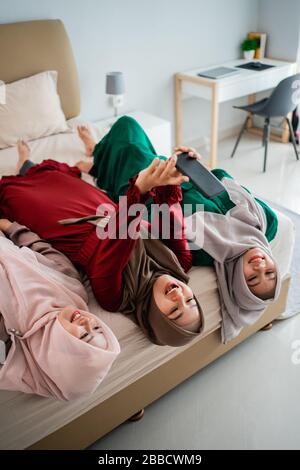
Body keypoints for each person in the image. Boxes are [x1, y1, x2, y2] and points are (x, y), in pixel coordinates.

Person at [75, 116, 282, 342]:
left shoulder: (205, 252)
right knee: (130, 128)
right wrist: (196, 166)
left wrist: (152, 186)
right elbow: (224, 180)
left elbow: (157, 221)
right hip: (180, 175)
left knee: (126, 134)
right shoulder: (268, 224)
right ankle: (98, 158)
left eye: (252, 278)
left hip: (152, 190)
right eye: (270, 272)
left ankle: (98, 155)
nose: (259, 266)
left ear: (237, 282)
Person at [0, 140, 205, 348]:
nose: (179, 295)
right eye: (190, 301)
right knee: (54, 176)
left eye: (174, 310)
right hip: (103, 209)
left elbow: (116, 246)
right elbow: (168, 216)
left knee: (14, 194)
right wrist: (173, 176)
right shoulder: (179, 264)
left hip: (69, 228)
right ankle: (26, 164)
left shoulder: (116, 297)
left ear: (156, 318)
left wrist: (139, 192)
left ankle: (22, 166)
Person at [0, 218, 120, 400]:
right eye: (97, 328)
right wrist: (9, 226)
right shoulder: (73, 289)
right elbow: (41, 248)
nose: (88, 322)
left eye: (84, 335)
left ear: (61, 354)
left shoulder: (7, 338)